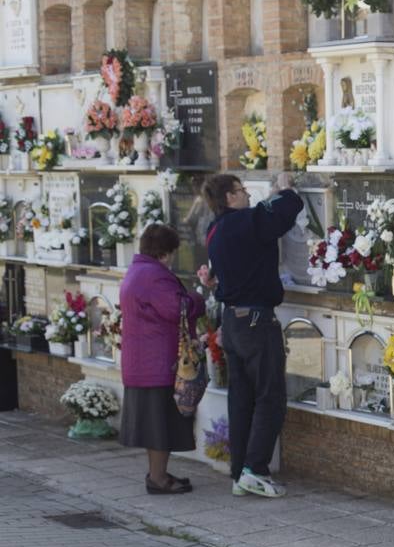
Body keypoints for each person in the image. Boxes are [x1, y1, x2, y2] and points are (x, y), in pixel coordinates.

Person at [201, 173, 303, 498]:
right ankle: (256, 470)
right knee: (270, 397)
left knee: (241, 399)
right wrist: (285, 189)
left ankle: (239, 473)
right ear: (230, 197)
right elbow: (287, 210)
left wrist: (270, 196)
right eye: (242, 191)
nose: (246, 195)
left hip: (232, 322)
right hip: (257, 323)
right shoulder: (244, 222)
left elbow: (263, 217)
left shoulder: (215, 228)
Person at [118, 224, 205, 495]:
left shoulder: (137, 270)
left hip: (144, 362)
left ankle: (158, 473)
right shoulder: (154, 276)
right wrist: (197, 298)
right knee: (160, 425)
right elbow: (177, 309)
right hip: (157, 364)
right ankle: (157, 479)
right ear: (165, 253)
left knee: (157, 424)